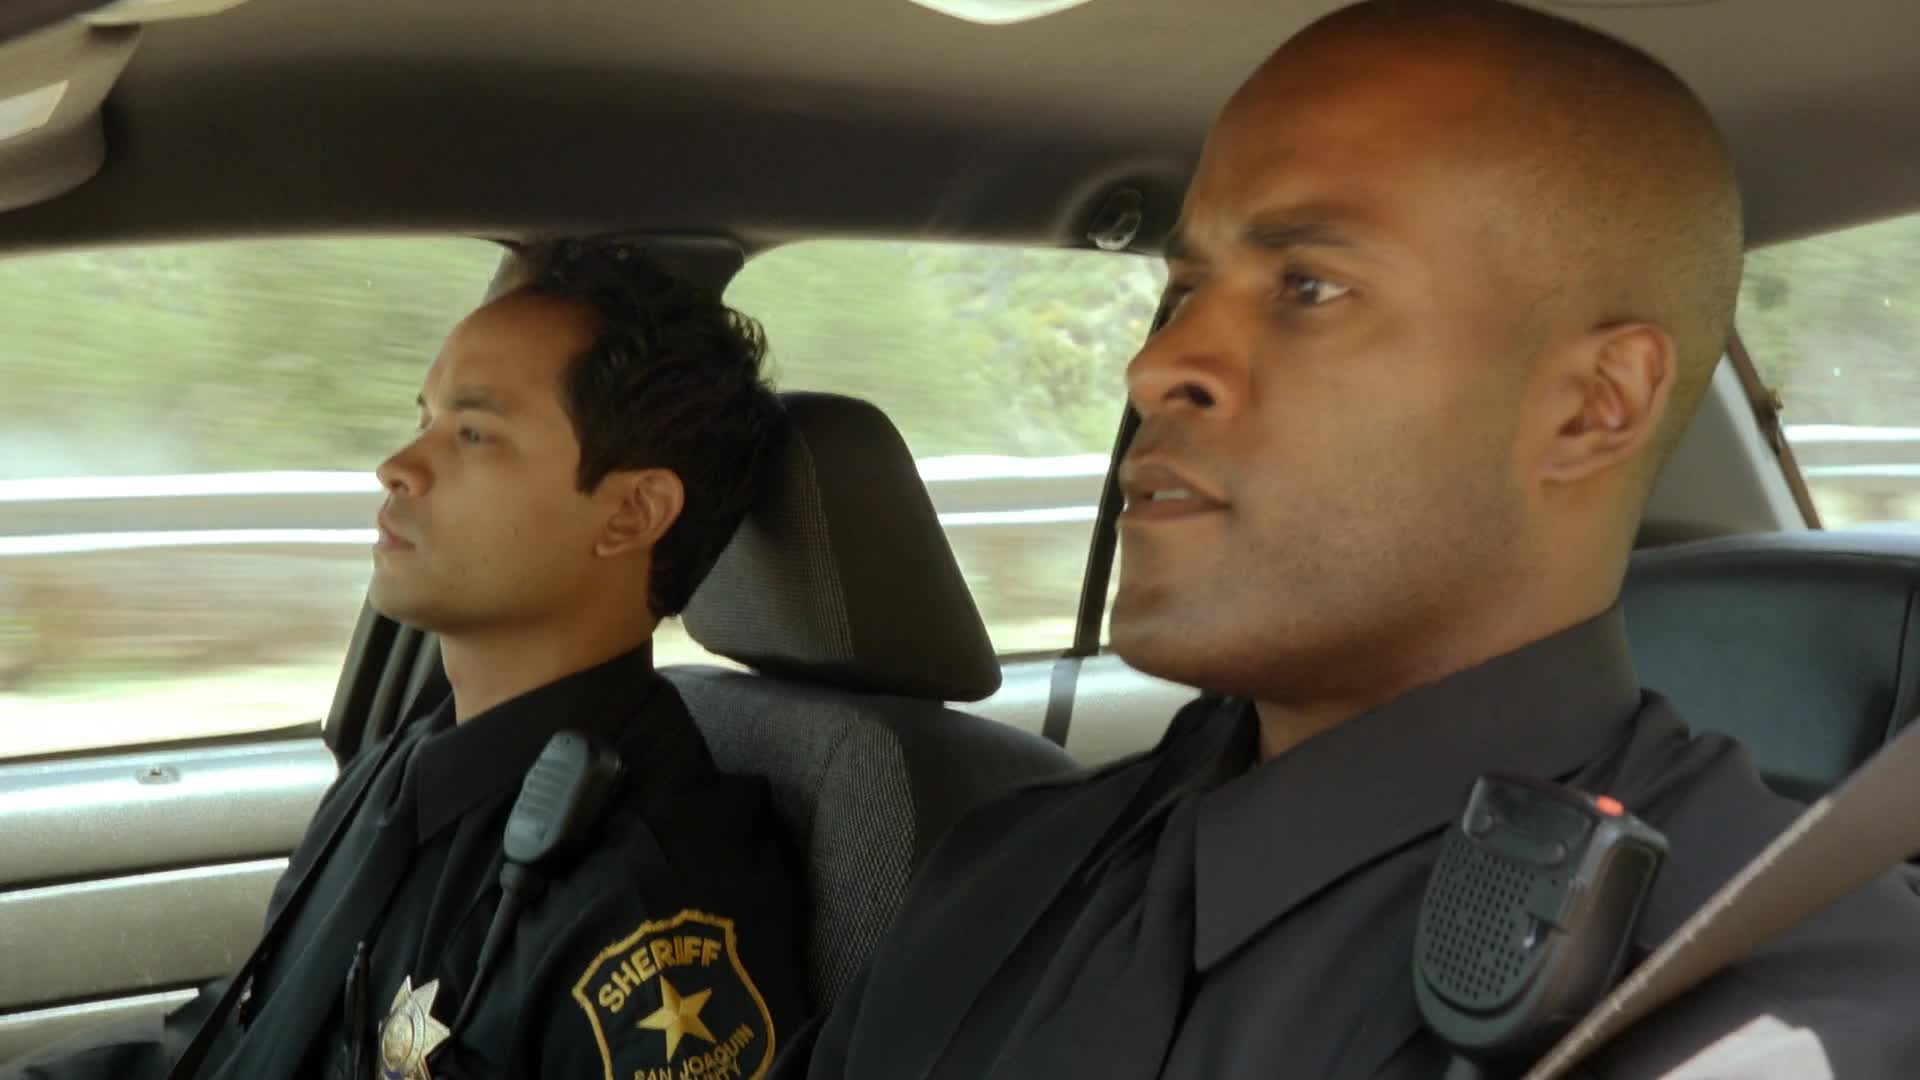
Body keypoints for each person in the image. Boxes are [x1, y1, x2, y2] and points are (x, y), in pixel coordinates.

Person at [772, 2, 1920, 1078]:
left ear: (1591, 408)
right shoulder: (1005, 870)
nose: (1157, 366)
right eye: (1182, 292)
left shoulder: (1770, 1000)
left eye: (1309, 287)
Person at [6, 239, 808, 1080]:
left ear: (631, 513)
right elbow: (249, 1039)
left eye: (474, 433)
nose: (397, 466)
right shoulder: (403, 768)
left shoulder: (648, 913)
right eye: (425, 420)